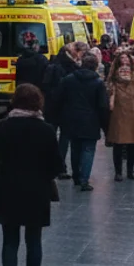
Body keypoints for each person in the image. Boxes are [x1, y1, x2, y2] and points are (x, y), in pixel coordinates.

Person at [0, 84, 60, 266]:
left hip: (9, 189)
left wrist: (2, 174)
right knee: (34, 241)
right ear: (38, 102)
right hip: (37, 191)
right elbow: (57, 164)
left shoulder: (3, 127)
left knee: (10, 242)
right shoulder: (46, 129)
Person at [53, 53, 110, 191]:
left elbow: (58, 99)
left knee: (75, 148)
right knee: (88, 149)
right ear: (96, 66)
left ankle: (76, 176)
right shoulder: (98, 83)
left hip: (71, 119)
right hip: (91, 121)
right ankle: (84, 180)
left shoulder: (68, 79)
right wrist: (106, 127)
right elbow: (103, 106)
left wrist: (60, 117)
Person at [107, 52, 134, 182]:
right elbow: (108, 93)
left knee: (133, 144)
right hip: (118, 113)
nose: (124, 61)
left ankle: (130, 170)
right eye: (122, 58)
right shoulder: (113, 77)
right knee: (118, 144)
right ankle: (118, 172)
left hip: (133, 112)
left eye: (126, 58)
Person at [43, 43, 81, 177]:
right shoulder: (70, 67)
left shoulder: (52, 65)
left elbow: (46, 86)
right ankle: (60, 166)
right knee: (64, 138)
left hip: (52, 107)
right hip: (65, 107)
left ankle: (50, 165)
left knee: (52, 136)